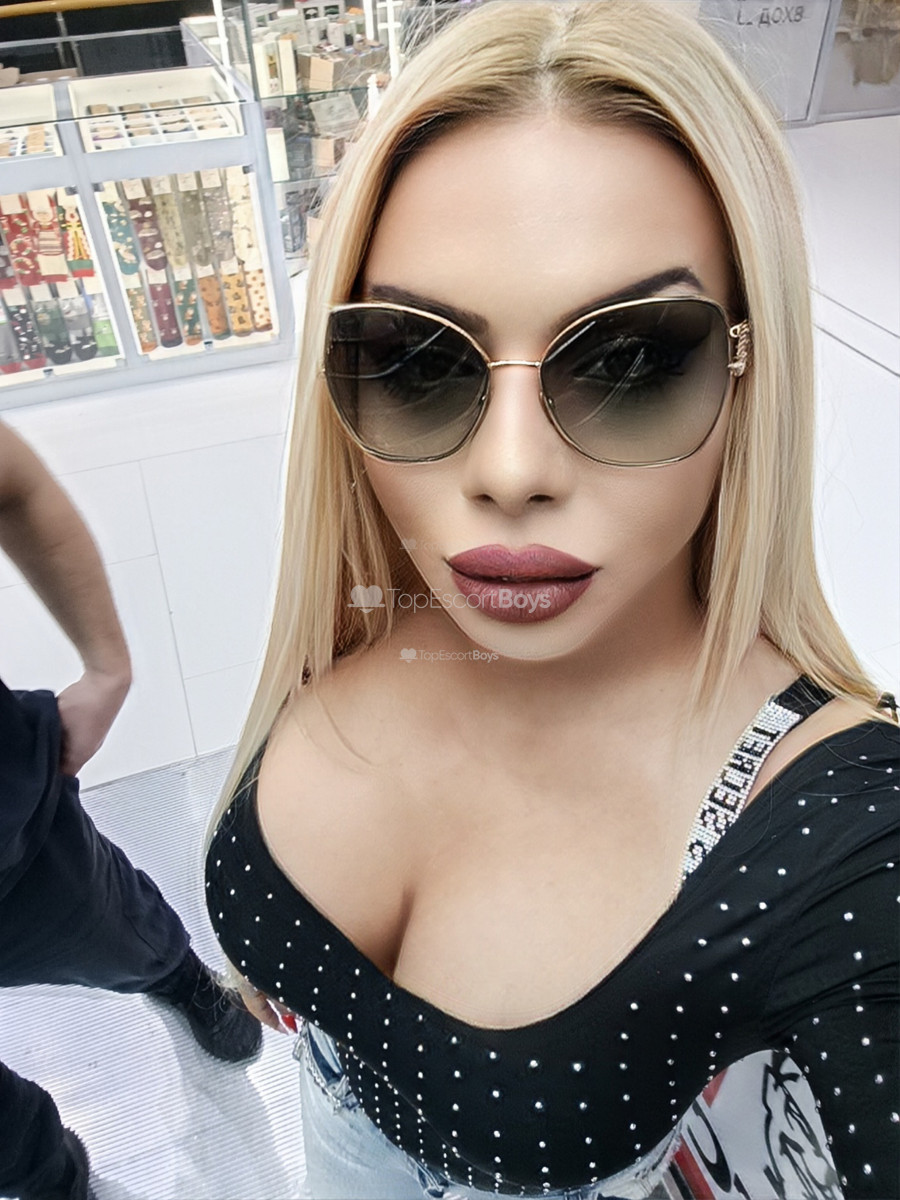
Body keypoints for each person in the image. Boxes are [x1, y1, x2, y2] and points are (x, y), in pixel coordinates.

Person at [204, 2, 899, 1197]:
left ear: (751, 366)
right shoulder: (367, 616)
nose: (512, 470)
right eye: (416, 360)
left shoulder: (849, 835)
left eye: (629, 359)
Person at [0, 419, 262, 1200]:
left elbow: (14, 481)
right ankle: (55, 1181)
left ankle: (180, 979)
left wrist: (106, 665)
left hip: (15, 845)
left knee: (119, 929)